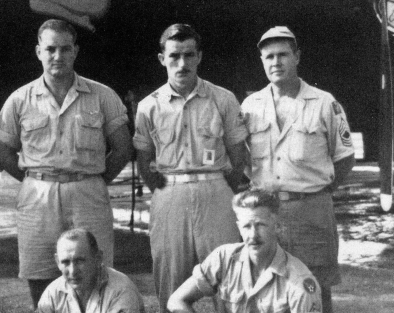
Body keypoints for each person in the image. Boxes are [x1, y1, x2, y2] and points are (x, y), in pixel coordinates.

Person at [0, 19, 133, 306]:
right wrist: (33, 181)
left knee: (96, 272)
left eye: (65, 49)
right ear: (38, 52)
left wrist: (95, 180)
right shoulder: (19, 100)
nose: (57, 56)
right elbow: (4, 152)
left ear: (75, 52)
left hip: (87, 192)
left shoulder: (102, 96)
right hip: (38, 195)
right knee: (40, 271)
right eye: (50, 49)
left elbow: (122, 148)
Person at [133, 23, 248, 310]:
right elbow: (144, 158)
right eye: (174, 56)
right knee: (171, 278)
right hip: (170, 194)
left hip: (215, 191)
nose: (182, 63)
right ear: (162, 59)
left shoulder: (223, 99)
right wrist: (164, 188)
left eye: (188, 55)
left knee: (229, 276)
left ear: (199, 57)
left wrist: (220, 187)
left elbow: (237, 155)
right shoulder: (149, 106)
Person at [242, 26, 355, 313]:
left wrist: (320, 191)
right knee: (266, 289)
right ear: (262, 61)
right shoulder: (250, 106)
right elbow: (240, 157)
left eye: (283, 55)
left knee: (314, 289)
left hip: (311, 211)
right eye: (269, 57)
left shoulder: (324, 102)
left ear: (297, 57)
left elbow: (344, 157)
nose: (275, 62)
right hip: (266, 212)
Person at [167, 189, 323, 313]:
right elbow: (176, 301)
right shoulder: (224, 258)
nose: (253, 235)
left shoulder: (301, 282)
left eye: (261, 225)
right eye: (246, 226)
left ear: (278, 227)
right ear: (238, 228)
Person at [38, 228, 145, 313]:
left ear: (98, 258)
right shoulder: (53, 292)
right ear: (57, 262)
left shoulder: (121, 291)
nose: (72, 271)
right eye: (65, 262)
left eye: (79, 261)